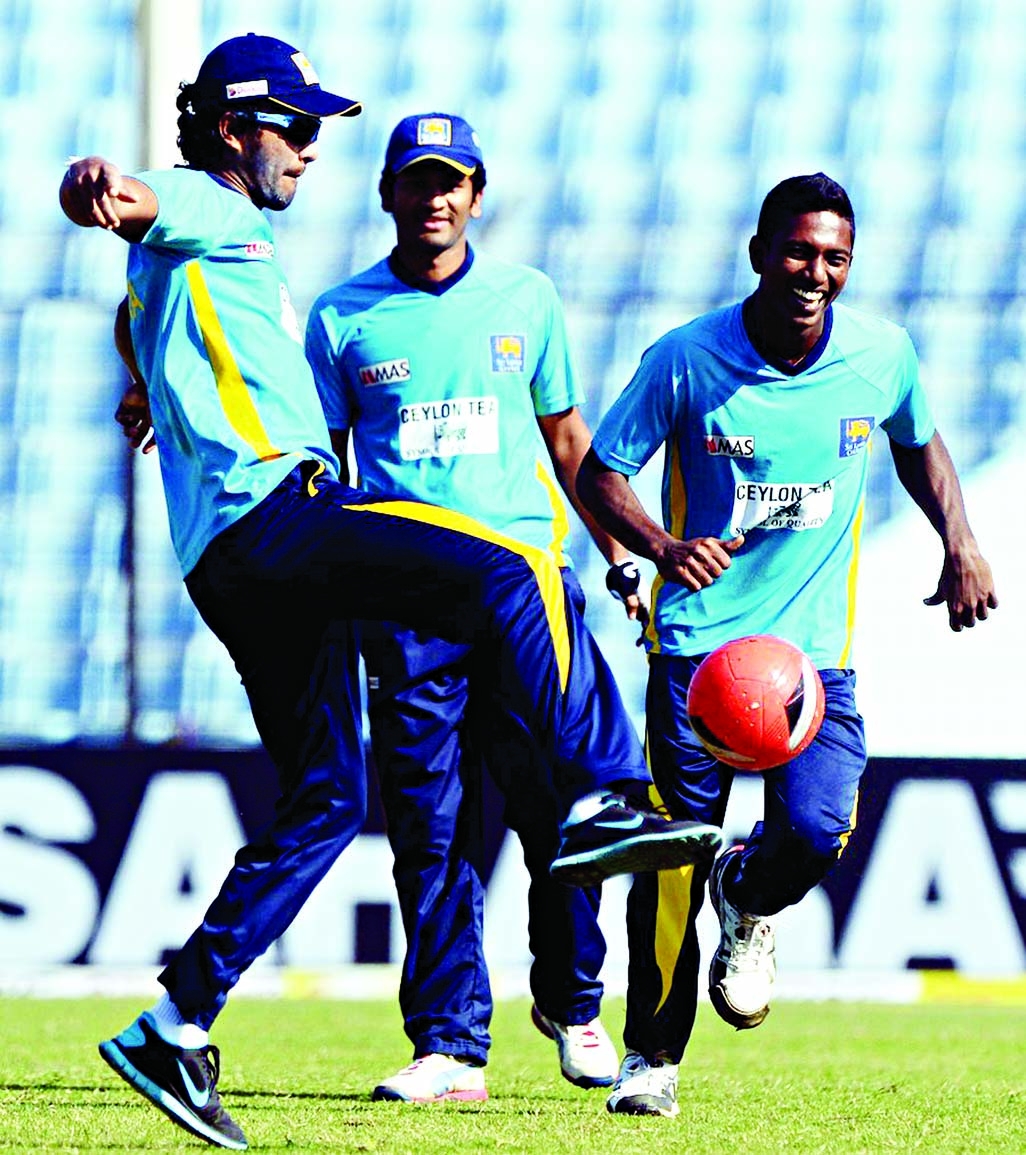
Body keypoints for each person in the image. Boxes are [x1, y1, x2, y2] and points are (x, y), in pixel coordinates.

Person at [60, 34, 723, 1150]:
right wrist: (99, 188)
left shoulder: (184, 267)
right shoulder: (216, 211)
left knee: (326, 799)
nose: (311, 152)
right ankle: (607, 789)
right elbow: (130, 195)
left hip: (222, 562)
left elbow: (140, 313)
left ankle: (176, 1019)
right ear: (235, 131)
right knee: (514, 564)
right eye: (299, 127)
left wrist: (141, 382)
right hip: (282, 512)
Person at [575, 173, 998, 1119]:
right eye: (801, 252)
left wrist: (960, 540)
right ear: (762, 252)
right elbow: (601, 472)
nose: (817, 273)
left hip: (812, 663)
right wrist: (663, 546)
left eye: (835, 257)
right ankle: (652, 1058)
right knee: (673, 856)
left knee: (813, 830)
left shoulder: (882, 355)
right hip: (694, 658)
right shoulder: (686, 359)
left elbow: (919, 443)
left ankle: (752, 893)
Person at [304, 112, 648, 1103]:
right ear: (387, 194)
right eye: (417, 180)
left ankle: (575, 1005)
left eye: (452, 180)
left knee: (563, 811)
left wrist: (623, 557)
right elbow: (327, 471)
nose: (436, 197)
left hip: (524, 591)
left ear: (478, 194)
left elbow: (570, 442)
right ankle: (452, 1047)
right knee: (432, 825)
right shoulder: (342, 317)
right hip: (406, 611)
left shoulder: (525, 301)